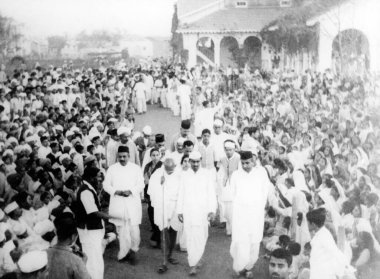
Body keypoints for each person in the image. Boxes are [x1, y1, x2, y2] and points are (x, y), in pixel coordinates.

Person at [229, 151, 272, 278]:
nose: (245, 165)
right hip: (240, 213)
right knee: (241, 240)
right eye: (243, 163)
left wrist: (261, 206)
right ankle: (239, 266)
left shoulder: (261, 174)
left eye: (247, 163)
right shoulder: (236, 175)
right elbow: (232, 193)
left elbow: (265, 191)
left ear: (253, 161)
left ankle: (249, 267)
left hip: (256, 213)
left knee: (254, 240)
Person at [177, 151, 217, 276]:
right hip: (188, 210)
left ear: (200, 161)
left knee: (202, 236)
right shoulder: (184, 175)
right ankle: (193, 263)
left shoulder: (207, 174)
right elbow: (181, 193)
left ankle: (198, 257)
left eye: (197, 162)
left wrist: (212, 210)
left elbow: (211, 193)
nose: (195, 164)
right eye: (192, 162)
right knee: (190, 236)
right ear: (189, 162)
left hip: (202, 211)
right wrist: (179, 210)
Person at [103, 146, 144, 264]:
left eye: (124, 156)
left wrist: (130, 191)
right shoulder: (112, 169)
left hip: (132, 202)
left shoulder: (136, 168)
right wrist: (116, 191)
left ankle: (133, 251)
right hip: (118, 202)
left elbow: (141, 185)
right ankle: (123, 253)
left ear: (129, 156)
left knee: (134, 231)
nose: (122, 159)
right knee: (121, 230)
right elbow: (106, 185)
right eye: (119, 156)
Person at [76, 167, 117, 279]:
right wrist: (112, 217)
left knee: (96, 259)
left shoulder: (89, 188)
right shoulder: (85, 191)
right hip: (89, 231)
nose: (100, 179)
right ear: (91, 177)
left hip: (93, 230)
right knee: (93, 261)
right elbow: (94, 212)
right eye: (98, 176)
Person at [148, 157, 181, 273]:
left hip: (176, 206)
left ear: (175, 167)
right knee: (164, 232)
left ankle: (170, 255)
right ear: (164, 167)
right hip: (162, 206)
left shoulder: (179, 173)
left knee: (173, 231)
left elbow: (183, 191)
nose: (169, 172)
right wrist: (159, 184)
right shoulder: (158, 174)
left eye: (171, 170)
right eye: (168, 170)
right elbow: (150, 191)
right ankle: (164, 262)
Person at [306, 208, 353, 279]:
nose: (307, 224)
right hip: (317, 270)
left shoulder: (324, 235)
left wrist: (346, 268)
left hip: (324, 273)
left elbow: (335, 252)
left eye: (308, 222)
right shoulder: (319, 234)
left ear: (313, 224)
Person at [47, 212, 91, 279]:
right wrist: (83, 263)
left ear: (56, 232)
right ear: (73, 236)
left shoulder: (44, 253)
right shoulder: (76, 260)